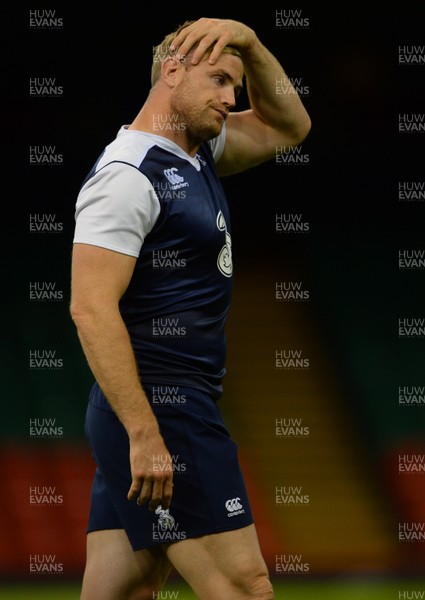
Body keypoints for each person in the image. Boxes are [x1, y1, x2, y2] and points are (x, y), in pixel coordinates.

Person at [70, 16, 311, 600]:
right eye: (221, 81)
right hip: (163, 408)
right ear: (172, 71)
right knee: (245, 586)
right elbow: (90, 308)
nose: (233, 98)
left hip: (166, 405)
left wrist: (250, 44)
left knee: (125, 589)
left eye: (237, 84)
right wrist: (145, 431)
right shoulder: (128, 176)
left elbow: (292, 124)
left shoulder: (195, 153)